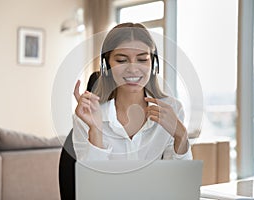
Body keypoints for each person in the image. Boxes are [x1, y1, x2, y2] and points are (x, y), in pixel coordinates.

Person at [72, 22, 192, 160]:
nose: (133, 69)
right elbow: (89, 179)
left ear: (153, 64)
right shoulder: (87, 115)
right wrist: (96, 132)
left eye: (142, 59)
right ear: (107, 65)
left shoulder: (173, 109)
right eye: (122, 60)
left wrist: (181, 135)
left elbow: (180, 178)